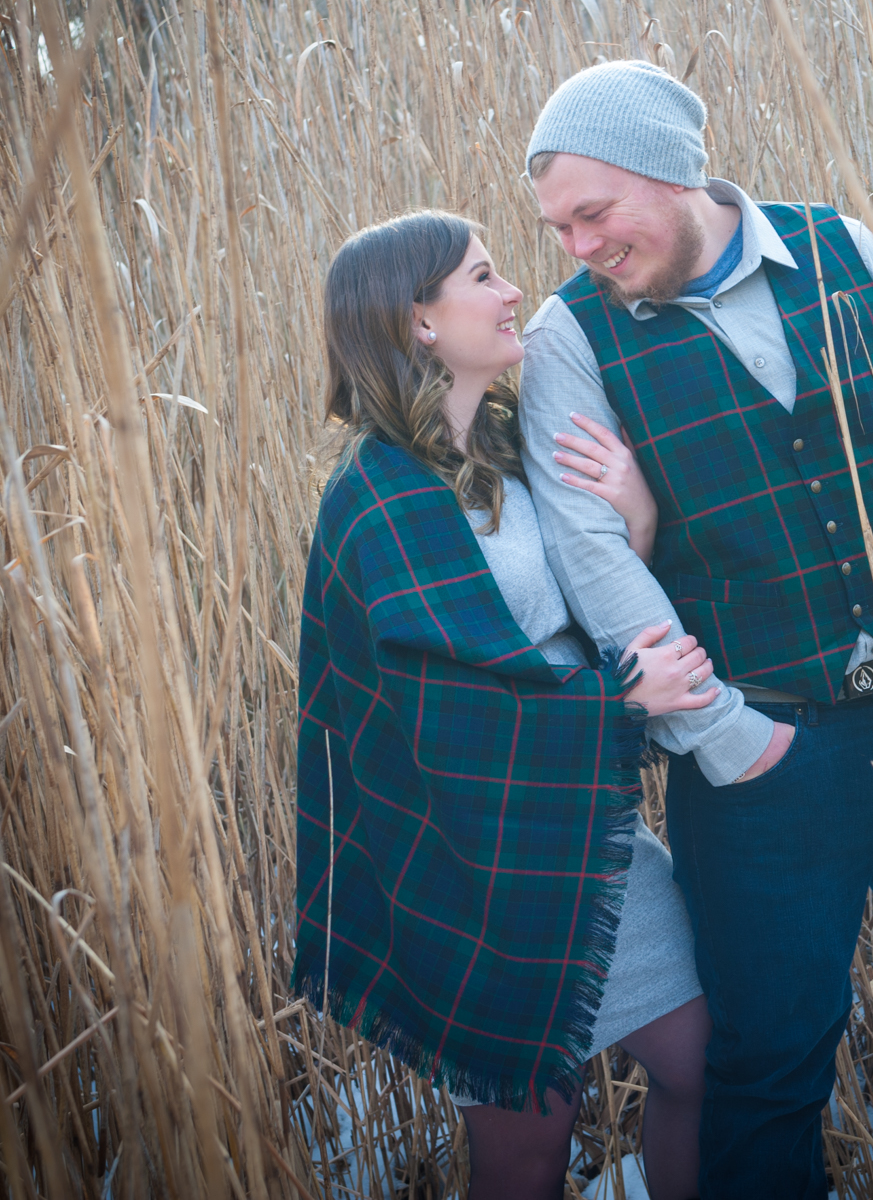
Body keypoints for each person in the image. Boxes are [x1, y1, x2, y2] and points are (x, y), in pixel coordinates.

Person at [517, 62, 873, 1198]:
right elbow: (591, 555)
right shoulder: (569, 338)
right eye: (556, 225)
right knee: (769, 1066)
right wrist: (727, 738)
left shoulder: (845, 249)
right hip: (762, 759)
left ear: (671, 174)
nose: (576, 245)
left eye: (594, 212)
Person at [292, 210, 715, 1200]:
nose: (513, 289)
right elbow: (438, 708)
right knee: (530, 1145)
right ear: (421, 323)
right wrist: (618, 708)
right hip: (470, 866)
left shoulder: (512, 449)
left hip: (585, 837)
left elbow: (574, 616)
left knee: (702, 1061)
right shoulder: (376, 499)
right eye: (483, 277)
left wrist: (637, 518)